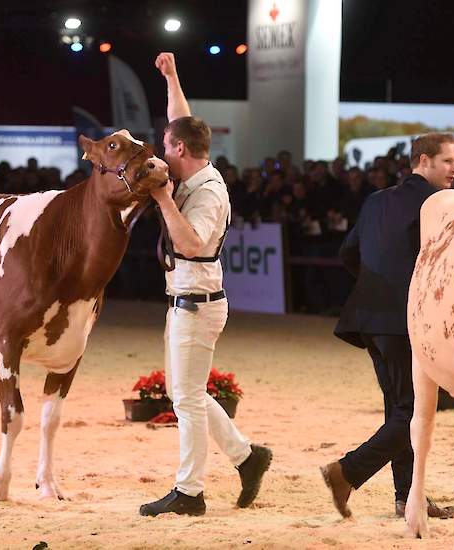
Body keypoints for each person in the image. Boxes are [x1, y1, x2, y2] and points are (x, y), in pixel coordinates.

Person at [139, 52, 272, 518]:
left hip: (197, 301)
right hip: (187, 300)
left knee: (188, 400)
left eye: (164, 146)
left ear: (178, 150)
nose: (159, 152)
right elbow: (180, 119)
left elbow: (193, 244)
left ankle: (189, 492)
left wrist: (160, 197)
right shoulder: (191, 164)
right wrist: (173, 76)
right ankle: (247, 456)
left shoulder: (210, 191)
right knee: (186, 393)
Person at [322, 133, 454, 520]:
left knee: (398, 409)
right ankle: (346, 472)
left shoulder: (376, 200)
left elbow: (347, 253)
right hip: (407, 321)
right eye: (448, 161)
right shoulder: (441, 204)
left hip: (368, 318)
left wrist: (375, 287)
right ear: (423, 161)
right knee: (415, 413)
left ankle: (406, 498)